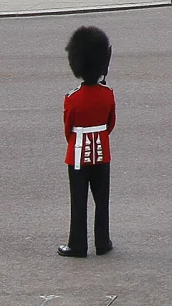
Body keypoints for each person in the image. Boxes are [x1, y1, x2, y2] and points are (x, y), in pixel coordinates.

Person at [59, 25, 115, 258]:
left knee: (78, 202)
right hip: (102, 153)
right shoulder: (108, 94)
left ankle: (78, 244)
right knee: (102, 201)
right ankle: (102, 242)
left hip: (78, 155)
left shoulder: (72, 99)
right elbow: (110, 123)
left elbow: (68, 130)